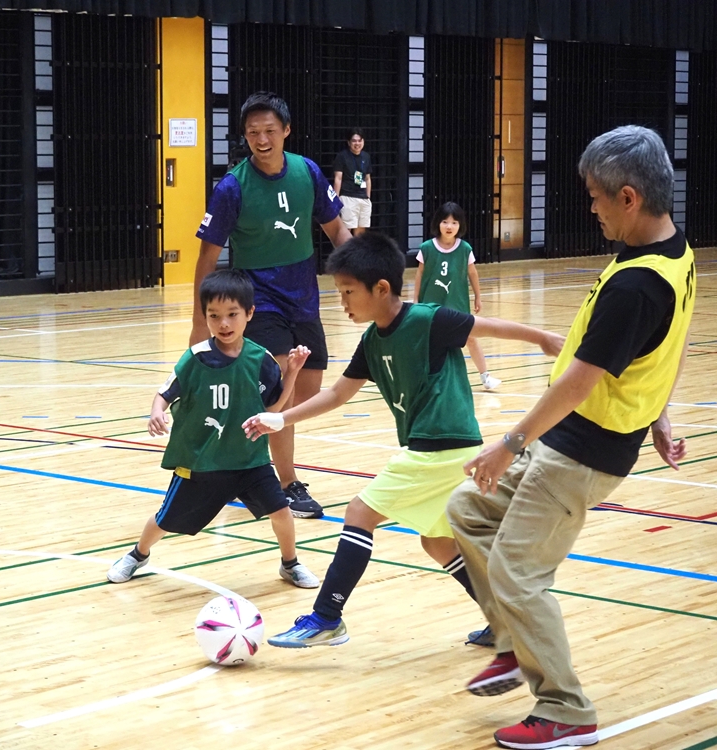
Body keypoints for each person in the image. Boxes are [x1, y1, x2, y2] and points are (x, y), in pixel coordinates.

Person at [446, 125, 694, 750]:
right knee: (467, 510)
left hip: (583, 450)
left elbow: (580, 382)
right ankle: (511, 642)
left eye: (595, 197)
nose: (591, 207)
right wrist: (661, 413)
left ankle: (565, 710)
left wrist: (510, 442)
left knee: (518, 570)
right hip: (575, 441)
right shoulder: (667, 250)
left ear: (630, 197)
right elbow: (669, 342)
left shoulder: (639, 284)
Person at [240, 232, 562, 650]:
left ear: (382, 289)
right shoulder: (372, 340)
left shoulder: (428, 320)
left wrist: (541, 338)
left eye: (348, 292)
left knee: (359, 512)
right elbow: (337, 394)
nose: (343, 302)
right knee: (438, 542)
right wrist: (279, 418)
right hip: (447, 449)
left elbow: (486, 327)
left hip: (439, 444)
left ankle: (326, 616)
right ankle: (502, 621)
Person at [193, 92, 352, 520]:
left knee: (306, 392)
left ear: (286, 131)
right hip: (258, 297)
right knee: (280, 388)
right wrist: (198, 324)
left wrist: (362, 274)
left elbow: (337, 230)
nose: (261, 140)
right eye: (252, 133)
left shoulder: (308, 172)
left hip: (304, 296)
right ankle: (285, 483)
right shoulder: (231, 187)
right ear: (244, 137)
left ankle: (233, 462)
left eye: (269, 131)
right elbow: (207, 259)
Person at [107, 269, 320, 590]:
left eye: (232, 315)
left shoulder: (261, 360)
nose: (224, 323)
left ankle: (290, 564)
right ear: (205, 317)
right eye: (214, 316)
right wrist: (156, 413)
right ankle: (138, 554)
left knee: (280, 510)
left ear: (249, 314)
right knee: (166, 519)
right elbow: (165, 392)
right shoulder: (196, 358)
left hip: (250, 459)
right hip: (202, 461)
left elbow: (272, 411)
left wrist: (291, 373)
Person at [415, 202, 501, 392]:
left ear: (460, 225)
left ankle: (485, 377)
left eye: (454, 223)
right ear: (438, 223)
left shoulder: (465, 249)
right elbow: (420, 274)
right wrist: (415, 300)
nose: (449, 226)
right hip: (431, 304)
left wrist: (478, 296)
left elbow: (473, 273)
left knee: (471, 338)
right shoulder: (427, 248)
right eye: (445, 222)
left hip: (457, 303)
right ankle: (422, 377)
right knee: (429, 341)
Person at [332, 129, 372, 236]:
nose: (357, 143)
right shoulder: (342, 156)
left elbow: (367, 178)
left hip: (363, 198)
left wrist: (368, 196)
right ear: (349, 142)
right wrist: (336, 199)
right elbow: (338, 178)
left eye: (359, 140)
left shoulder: (366, 157)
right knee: (346, 231)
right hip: (348, 197)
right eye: (354, 141)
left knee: (361, 232)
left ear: (363, 141)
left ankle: (358, 253)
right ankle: (347, 253)